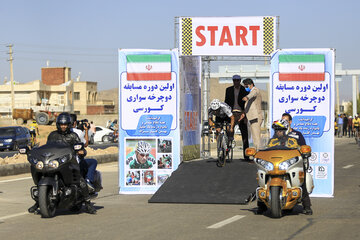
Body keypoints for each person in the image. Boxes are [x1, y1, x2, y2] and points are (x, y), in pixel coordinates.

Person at [28, 113, 96, 214]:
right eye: (61, 124)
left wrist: (81, 152)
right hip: (55, 160)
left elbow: (80, 147)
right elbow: (48, 147)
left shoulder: (73, 136)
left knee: (79, 180)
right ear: (58, 124)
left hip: (69, 161)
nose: (63, 126)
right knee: (42, 174)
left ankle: (87, 203)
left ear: (69, 125)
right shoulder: (53, 135)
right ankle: (39, 202)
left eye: (65, 124)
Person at [281, 113, 313, 215]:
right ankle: (261, 204)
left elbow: (304, 147)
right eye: (282, 120)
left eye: (286, 121)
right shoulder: (278, 134)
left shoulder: (297, 134)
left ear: (290, 122)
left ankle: (307, 206)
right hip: (281, 163)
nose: (284, 123)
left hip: (295, 163)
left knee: (301, 181)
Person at [70, 114, 98, 193]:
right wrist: (85, 130)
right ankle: (88, 181)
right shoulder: (78, 132)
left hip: (62, 159)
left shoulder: (57, 134)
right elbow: (85, 144)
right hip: (74, 161)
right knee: (93, 162)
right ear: (75, 123)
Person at [225, 75, 250, 161]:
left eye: (237, 80)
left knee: (245, 135)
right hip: (231, 114)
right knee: (229, 133)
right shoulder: (228, 90)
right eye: (234, 80)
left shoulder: (244, 90)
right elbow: (226, 103)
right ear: (233, 81)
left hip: (241, 114)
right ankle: (226, 153)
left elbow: (247, 104)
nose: (236, 82)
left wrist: (245, 115)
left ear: (240, 81)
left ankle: (246, 156)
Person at [240, 78, 263, 150]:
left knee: (256, 137)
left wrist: (247, 97)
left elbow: (253, 94)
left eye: (246, 86)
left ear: (251, 85)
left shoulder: (255, 90)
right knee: (254, 137)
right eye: (245, 86)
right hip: (252, 117)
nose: (245, 88)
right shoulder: (250, 91)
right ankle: (256, 153)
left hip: (256, 117)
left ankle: (257, 154)